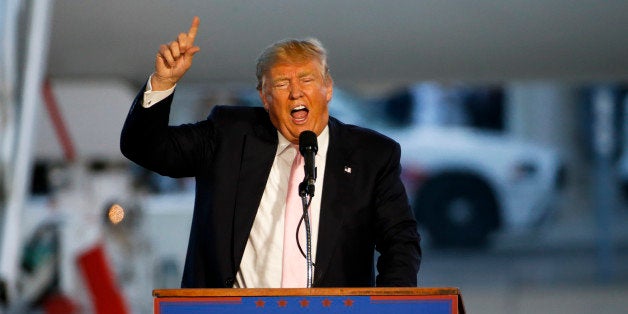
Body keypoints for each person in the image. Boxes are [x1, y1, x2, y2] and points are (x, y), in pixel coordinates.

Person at [120, 16, 421, 288]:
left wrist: (389, 304)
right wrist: (163, 83)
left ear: (327, 88)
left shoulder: (371, 155)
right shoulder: (228, 135)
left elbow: (400, 242)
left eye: (306, 79)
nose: (295, 92)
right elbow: (146, 148)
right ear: (264, 97)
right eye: (281, 83)